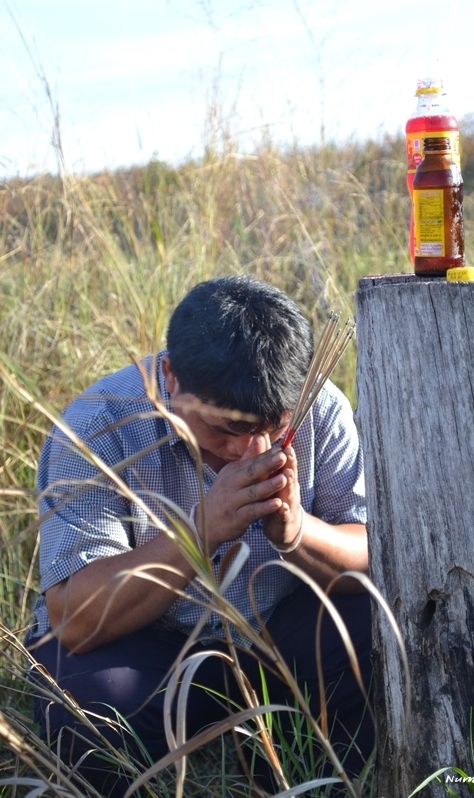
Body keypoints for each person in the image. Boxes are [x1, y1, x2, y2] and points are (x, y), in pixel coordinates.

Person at [26, 275, 373, 795]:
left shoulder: (317, 402)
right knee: (84, 702)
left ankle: (292, 774)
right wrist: (201, 530)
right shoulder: (98, 422)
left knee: (371, 629)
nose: (249, 450)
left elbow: (373, 555)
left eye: (273, 430)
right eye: (224, 431)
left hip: (274, 639)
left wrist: (298, 534)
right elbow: (75, 618)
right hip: (146, 651)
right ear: (169, 375)